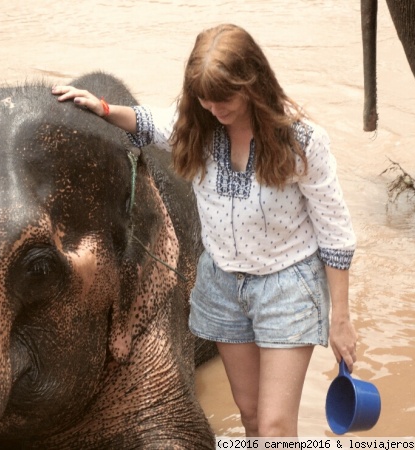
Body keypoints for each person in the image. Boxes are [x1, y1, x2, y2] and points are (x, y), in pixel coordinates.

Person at [52, 23, 358, 437]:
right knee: (250, 415)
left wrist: (341, 317)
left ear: (252, 83)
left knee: (275, 424)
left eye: (224, 98)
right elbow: (147, 122)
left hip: (286, 288)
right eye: (205, 98)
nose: (215, 108)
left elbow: (334, 230)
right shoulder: (196, 128)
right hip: (221, 288)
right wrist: (104, 110)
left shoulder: (301, 141)